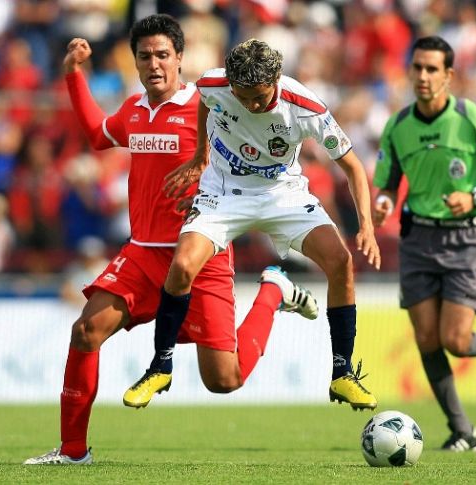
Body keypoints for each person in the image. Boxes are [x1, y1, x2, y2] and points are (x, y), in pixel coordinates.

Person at [24, 15, 317, 466]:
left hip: (199, 256)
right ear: (135, 61)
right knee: (85, 331)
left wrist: (208, 168)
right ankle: (73, 451)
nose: (154, 64)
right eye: (145, 56)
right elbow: (97, 134)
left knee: (224, 380)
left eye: (163, 55)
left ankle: (273, 291)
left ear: (180, 58)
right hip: (141, 254)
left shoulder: (211, 107)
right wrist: (72, 74)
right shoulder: (134, 110)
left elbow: (254, 153)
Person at [126, 38, 381, 412]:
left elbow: (353, 168)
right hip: (224, 193)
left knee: (340, 262)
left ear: (277, 79)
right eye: (243, 98)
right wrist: (201, 156)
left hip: (283, 194)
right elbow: (206, 105)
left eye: (259, 98)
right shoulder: (215, 85)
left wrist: (367, 227)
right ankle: (160, 366)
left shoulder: (306, 108)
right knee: (181, 266)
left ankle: (343, 374)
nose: (251, 105)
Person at [372, 36, 476, 451]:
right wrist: (383, 203)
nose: (423, 76)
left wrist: (475, 196)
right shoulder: (398, 125)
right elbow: (386, 183)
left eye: (432, 69)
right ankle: (463, 430)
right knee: (426, 339)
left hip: (466, 239)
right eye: (417, 67)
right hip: (418, 238)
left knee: (456, 341)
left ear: (449, 75)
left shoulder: (472, 117)